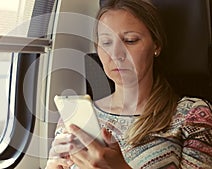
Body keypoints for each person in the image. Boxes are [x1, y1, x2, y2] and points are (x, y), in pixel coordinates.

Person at [46, 0, 212, 168]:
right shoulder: (76, 118)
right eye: (106, 43)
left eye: (130, 40)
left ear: (156, 45)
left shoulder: (192, 115)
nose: (116, 54)